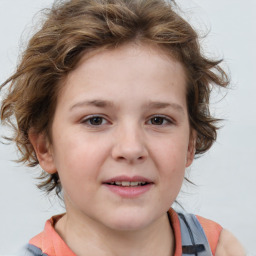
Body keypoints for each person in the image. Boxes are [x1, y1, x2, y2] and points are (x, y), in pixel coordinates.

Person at [0, 0, 246, 255]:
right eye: (95, 120)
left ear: (190, 145)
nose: (131, 148)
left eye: (158, 120)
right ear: (44, 148)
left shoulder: (224, 249)